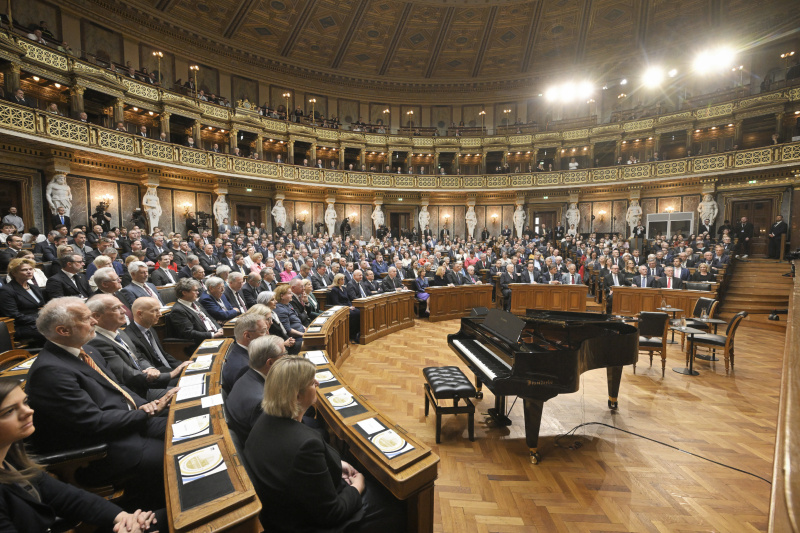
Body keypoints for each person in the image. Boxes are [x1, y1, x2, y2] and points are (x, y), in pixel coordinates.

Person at [26, 298, 176, 508]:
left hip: (126, 423)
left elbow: (120, 389)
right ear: (63, 330)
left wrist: (147, 405)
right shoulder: (51, 371)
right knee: (173, 455)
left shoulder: (88, 351)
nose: (94, 322)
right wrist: (146, 413)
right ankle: (160, 513)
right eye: (87, 319)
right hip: (100, 448)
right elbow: (92, 422)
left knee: (182, 428)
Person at [244, 356, 404, 533]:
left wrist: (337, 464)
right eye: (312, 383)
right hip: (303, 523)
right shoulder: (306, 445)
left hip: (284, 507)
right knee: (398, 506)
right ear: (297, 395)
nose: (318, 384)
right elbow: (332, 513)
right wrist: (358, 485)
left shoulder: (264, 419)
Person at [0, 377, 161, 532]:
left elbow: (68, 497)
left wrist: (124, 518)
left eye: (25, 402)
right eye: (10, 411)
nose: (28, 411)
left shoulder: (12, 460)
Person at [86, 294, 175, 401]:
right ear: (96, 316)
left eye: (121, 306)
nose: (124, 311)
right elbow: (126, 375)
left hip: (145, 384)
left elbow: (138, 357)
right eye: (116, 308)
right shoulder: (96, 341)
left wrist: (149, 368)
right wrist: (170, 375)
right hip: (135, 395)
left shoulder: (119, 332)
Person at [226, 335, 286, 444]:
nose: (286, 357)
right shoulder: (261, 402)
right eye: (284, 354)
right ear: (270, 362)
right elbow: (273, 439)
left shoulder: (247, 376)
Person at [165, 278, 224, 355]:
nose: (198, 293)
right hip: (200, 343)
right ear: (184, 293)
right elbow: (189, 333)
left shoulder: (195, 303)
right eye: (195, 290)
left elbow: (209, 317)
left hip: (214, 335)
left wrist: (219, 328)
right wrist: (213, 335)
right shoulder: (178, 310)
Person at [0, 258, 45, 345]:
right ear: (14, 273)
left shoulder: (34, 288)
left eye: (31, 269)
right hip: (21, 326)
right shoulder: (6, 290)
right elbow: (14, 315)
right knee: (56, 332)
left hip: (38, 323)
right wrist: (40, 320)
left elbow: (42, 306)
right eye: (24, 270)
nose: (29, 272)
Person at [221, 313, 268, 395]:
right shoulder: (244, 368)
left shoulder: (240, 351)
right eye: (263, 331)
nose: (267, 334)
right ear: (247, 336)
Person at [328, 273, 360, 343]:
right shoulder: (334, 290)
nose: (343, 281)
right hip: (341, 308)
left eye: (344, 279)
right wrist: (348, 307)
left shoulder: (344, 288)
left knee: (358, 312)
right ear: (338, 281)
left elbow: (347, 299)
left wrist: (351, 306)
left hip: (347, 306)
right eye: (342, 279)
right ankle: (351, 335)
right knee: (353, 314)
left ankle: (356, 334)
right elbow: (336, 302)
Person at [274, 284, 306, 352]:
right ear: (282, 296)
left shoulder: (288, 304)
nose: (292, 295)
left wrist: (304, 327)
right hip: (295, 338)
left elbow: (296, 320)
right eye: (289, 293)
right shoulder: (280, 309)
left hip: (301, 332)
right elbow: (288, 331)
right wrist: (304, 334)